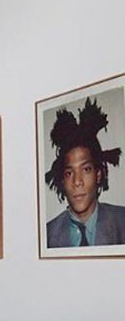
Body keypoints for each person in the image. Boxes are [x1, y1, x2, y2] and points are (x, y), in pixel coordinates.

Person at [45, 97, 125, 248]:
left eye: (86, 169)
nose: (77, 181)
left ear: (98, 175)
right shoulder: (46, 235)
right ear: (62, 180)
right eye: (69, 173)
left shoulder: (122, 222)